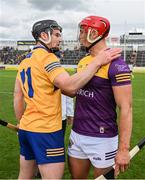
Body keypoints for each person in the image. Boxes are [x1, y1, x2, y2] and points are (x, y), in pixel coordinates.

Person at [13, 19, 121, 179]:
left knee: (24, 176)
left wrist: (21, 122)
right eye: (56, 35)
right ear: (44, 35)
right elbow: (70, 87)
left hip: (27, 129)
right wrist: (97, 61)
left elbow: (18, 95)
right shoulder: (48, 59)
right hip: (46, 131)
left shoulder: (25, 60)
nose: (60, 39)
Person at [68, 15, 132, 179]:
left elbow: (126, 108)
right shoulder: (83, 61)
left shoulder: (118, 65)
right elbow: (73, 91)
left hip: (102, 139)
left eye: (82, 32)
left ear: (94, 33)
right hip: (77, 134)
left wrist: (124, 148)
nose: (80, 36)